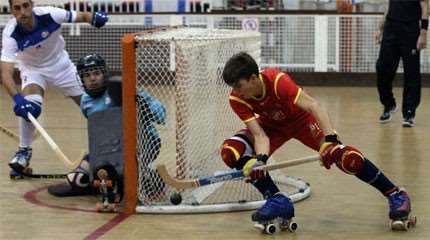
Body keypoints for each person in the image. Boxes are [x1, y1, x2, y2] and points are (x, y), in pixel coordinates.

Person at [220, 52, 412, 229]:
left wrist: (330, 139)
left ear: (253, 79)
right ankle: (276, 200)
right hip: (272, 127)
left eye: (238, 85)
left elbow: (313, 105)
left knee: (346, 158)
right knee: (232, 151)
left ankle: (395, 194)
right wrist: (259, 161)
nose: (236, 91)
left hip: (302, 121)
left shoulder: (278, 81)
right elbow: (260, 135)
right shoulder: (237, 99)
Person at [1, 0, 108, 176]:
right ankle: (24, 151)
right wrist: (18, 99)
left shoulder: (50, 14)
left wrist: (94, 18)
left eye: (26, 6)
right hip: (33, 71)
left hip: (62, 67)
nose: (23, 12)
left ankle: (106, 148)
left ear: (32, 4)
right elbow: (5, 73)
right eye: (17, 8)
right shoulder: (11, 33)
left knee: (93, 106)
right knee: (30, 106)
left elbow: (81, 16)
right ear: (11, 10)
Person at [53, 53, 166, 200]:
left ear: (104, 74)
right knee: (77, 179)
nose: (92, 78)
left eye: (96, 73)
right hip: (108, 147)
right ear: (81, 79)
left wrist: (141, 103)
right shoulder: (85, 102)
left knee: (126, 182)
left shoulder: (122, 90)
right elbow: (99, 131)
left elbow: (162, 116)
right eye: (87, 75)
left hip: (144, 142)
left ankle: (148, 175)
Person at [375, 0, 428, 127]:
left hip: (410, 29)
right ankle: (389, 104)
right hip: (391, 27)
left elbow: (425, 6)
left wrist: (424, 32)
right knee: (382, 68)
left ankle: (409, 112)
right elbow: (389, 5)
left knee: (411, 72)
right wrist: (380, 29)